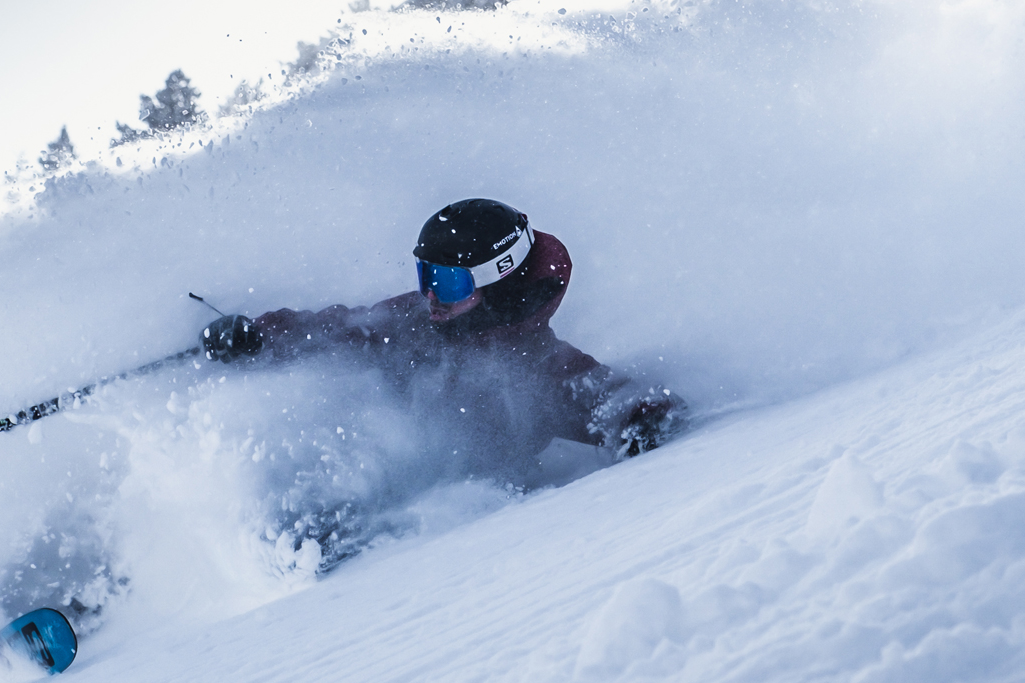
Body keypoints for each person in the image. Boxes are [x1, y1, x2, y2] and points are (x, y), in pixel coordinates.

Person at [198, 198, 683, 482]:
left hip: (452, 521)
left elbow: (626, 402)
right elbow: (341, 327)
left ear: (497, 282)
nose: (430, 294)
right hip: (368, 463)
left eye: (450, 282)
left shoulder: (540, 369)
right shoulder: (417, 322)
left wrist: (644, 424)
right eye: (425, 273)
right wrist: (257, 336)